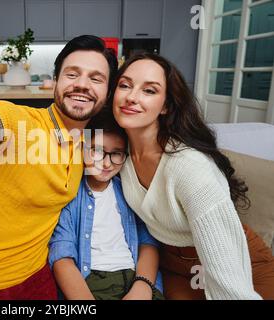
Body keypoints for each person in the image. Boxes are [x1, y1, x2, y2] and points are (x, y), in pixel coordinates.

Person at [0, 35, 118, 300]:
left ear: (107, 94)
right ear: (55, 82)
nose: (82, 85)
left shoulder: (86, 147)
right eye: (72, 74)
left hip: (37, 276)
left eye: (96, 79)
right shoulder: (20, 124)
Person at [112, 52, 274, 300]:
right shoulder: (118, 153)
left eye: (149, 91)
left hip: (236, 263)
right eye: (125, 85)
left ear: (165, 106)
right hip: (174, 266)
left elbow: (228, 275)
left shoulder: (189, 167)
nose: (132, 97)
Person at [49, 110, 164, 300]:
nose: (106, 163)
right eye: (97, 151)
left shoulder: (130, 189)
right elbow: (62, 255)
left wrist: (142, 285)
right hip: (92, 282)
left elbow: (148, 242)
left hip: (137, 277)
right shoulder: (69, 194)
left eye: (116, 154)